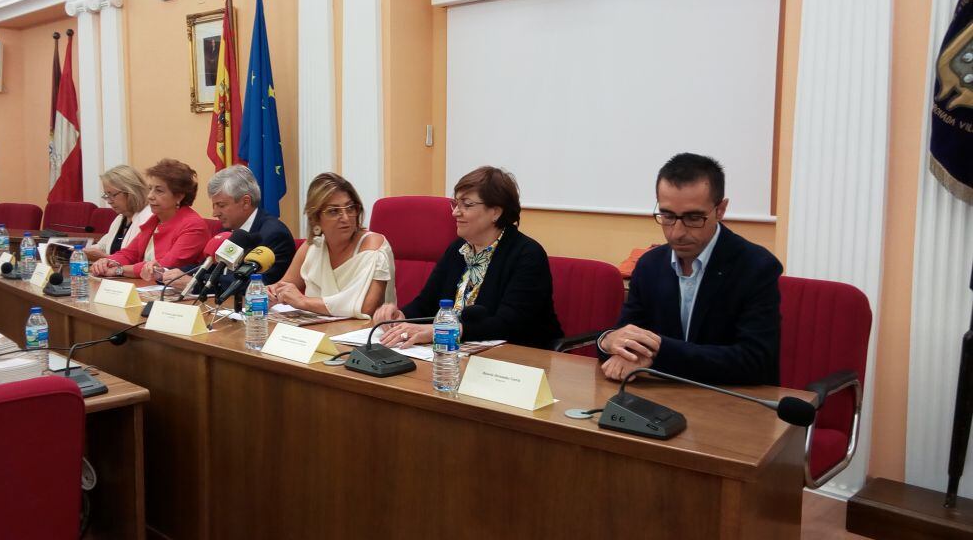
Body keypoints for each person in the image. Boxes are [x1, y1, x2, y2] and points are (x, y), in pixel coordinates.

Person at [596, 153, 782, 386]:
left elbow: (754, 361)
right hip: (660, 396)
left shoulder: (756, 266)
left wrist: (659, 352)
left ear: (721, 209)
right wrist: (607, 340)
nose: (677, 232)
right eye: (667, 215)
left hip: (733, 401)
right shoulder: (649, 265)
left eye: (694, 218)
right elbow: (628, 336)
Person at [374, 166, 562, 349]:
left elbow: (508, 324)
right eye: (455, 204)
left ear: (495, 212)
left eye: (467, 205)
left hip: (518, 361)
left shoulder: (527, 255)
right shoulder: (458, 248)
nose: (455, 212)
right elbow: (425, 304)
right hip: (458, 353)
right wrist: (400, 315)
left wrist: (441, 331)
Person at [266, 173, 394, 319]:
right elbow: (283, 287)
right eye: (334, 211)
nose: (345, 218)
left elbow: (365, 307)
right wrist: (270, 293)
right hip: (316, 332)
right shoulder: (312, 247)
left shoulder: (374, 246)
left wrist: (303, 301)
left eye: (350, 208)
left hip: (361, 336)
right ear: (316, 218)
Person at [162, 165, 296, 291]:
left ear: (245, 202)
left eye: (221, 205)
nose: (215, 213)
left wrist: (195, 283)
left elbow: (254, 285)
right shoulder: (229, 230)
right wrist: (167, 273)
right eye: (214, 206)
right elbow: (207, 268)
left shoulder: (273, 234)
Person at [89, 159, 210, 281]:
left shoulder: (193, 226)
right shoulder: (155, 219)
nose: (150, 196)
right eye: (150, 189)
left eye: (159, 190)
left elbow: (162, 266)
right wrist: (107, 262)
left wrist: (119, 270)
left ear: (179, 196)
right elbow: (129, 253)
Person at [84, 165, 153, 262]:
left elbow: (145, 261)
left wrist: (105, 258)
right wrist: (79, 251)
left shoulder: (149, 218)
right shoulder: (120, 218)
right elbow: (102, 246)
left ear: (131, 191)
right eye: (106, 195)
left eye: (112, 195)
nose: (109, 201)